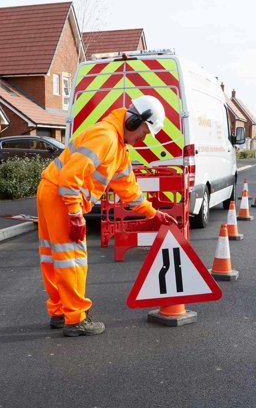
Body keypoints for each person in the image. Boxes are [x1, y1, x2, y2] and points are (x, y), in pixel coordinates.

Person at [36, 95, 177, 337]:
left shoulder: (118, 146)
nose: (141, 140)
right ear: (133, 122)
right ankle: (76, 318)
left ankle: (61, 311)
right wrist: (75, 214)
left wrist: (153, 214)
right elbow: (70, 177)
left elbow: (129, 190)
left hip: (52, 193)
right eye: (143, 133)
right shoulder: (106, 137)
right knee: (71, 259)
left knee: (55, 258)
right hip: (62, 198)